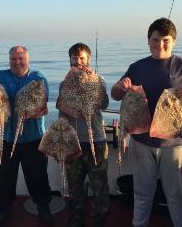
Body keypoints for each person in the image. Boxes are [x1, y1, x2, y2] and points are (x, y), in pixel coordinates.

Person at [111, 18, 182, 227]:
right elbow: (115, 95)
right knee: (142, 193)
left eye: (166, 40)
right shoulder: (136, 67)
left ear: (174, 42)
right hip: (141, 142)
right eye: (155, 40)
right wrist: (120, 85)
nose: (160, 45)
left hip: (174, 145)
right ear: (148, 41)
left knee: (175, 196)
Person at [0, 45, 54, 226]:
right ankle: (3, 208)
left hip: (33, 138)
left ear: (28, 60)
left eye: (21, 59)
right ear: (9, 60)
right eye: (13, 59)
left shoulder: (38, 77)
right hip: (6, 137)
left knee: (37, 174)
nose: (17, 62)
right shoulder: (0, 77)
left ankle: (43, 206)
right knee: (3, 175)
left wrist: (32, 112)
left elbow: (43, 104)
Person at [57, 43, 110, 227]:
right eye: (74, 58)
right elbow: (62, 110)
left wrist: (95, 83)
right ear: (70, 61)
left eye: (82, 58)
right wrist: (62, 123)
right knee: (74, 188)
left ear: (88, 60)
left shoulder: (99, 79)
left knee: (100, 187)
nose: (78, 62)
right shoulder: (65, 82)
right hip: (74, 143)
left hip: (97, 141)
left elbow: (104, 105)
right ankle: (76, 221)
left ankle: (99, 221)